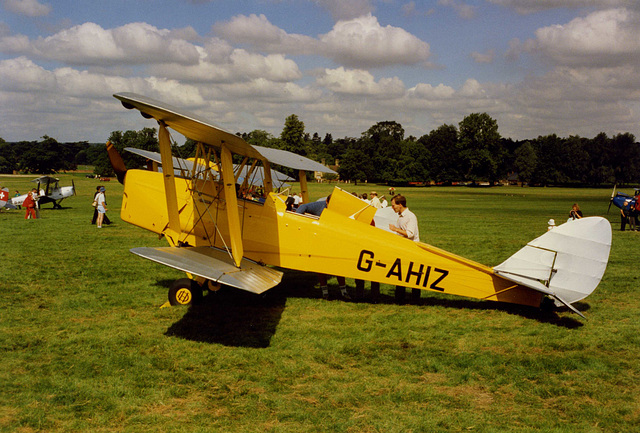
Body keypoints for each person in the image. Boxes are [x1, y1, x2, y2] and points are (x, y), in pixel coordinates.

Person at [388, 194, 420, 303]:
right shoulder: (401, 216)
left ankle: (415, 298)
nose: (392, 207)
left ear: (400, 205)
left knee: (413, 274)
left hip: (411, 249)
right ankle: (399, 298)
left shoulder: (410, 216)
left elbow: (410, 234)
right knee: (400, 273)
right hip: (403, 248)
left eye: (393, 205)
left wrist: (395, 229)